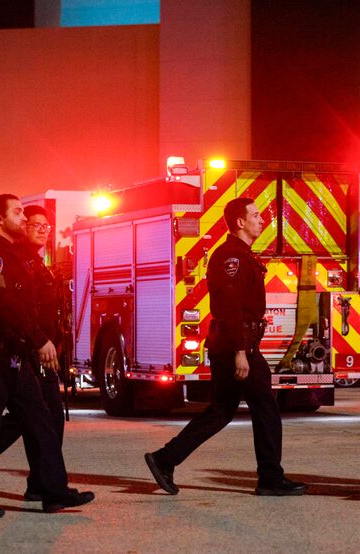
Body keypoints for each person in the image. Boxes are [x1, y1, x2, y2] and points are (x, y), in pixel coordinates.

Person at [144, 197, 307, 497]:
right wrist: (240, 352)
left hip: (233, 344)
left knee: (222, 411)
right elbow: (229, 307)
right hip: (235, 347)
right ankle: (270, 478)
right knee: (266, 408)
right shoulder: (231, 257)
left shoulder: (239, 254)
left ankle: (165, 459)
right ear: (240, 222)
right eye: (255, 216)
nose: (261, 220)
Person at [0, 195, 93, 516]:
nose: (23, 218)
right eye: (17, 212)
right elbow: (5, 304)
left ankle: (53, 492)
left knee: (41, 420)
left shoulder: (14, 254)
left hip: (16, 353)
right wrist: (38, 339)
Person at [0, 205, 66, 501]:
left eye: (46, 225)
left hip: (44, 350)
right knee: (33, 420)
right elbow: (19, 308)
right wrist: (37, 341)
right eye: (35, 224)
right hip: (28, 349)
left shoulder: (38, 263)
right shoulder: (18, 261)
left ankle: (40, 484)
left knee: (43, 420)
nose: (42, 229)